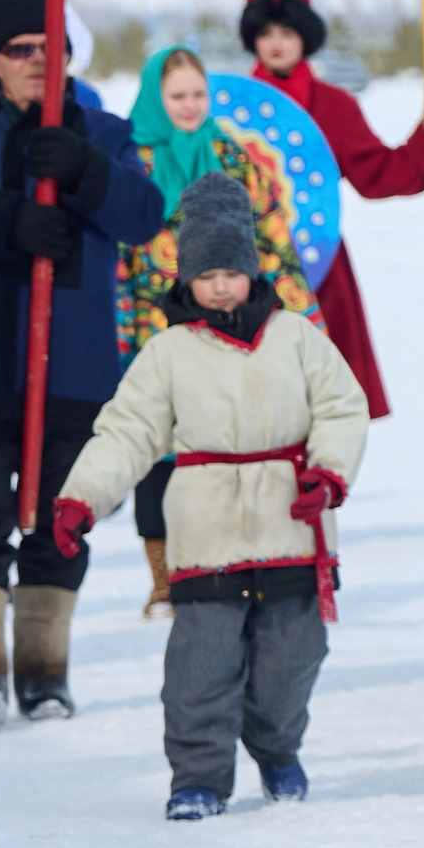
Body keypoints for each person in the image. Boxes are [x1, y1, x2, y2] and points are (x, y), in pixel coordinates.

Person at [51, 172, 367, 818]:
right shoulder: (168, 352)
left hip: (290, 523)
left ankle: (278, 748)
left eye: (232, 270)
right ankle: (198, 775)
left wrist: (329, 473)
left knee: (292, 659)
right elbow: (127, 432)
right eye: (206, 273)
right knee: (201, 666)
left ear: (252, 269)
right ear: (185, 278)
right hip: (207, 533)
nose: (221, 285)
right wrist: (81, 497)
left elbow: (343, 406)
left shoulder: (297, 337)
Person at [0, 0, 164, 730]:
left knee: (60, 519)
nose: (37, 61)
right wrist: (3, 221)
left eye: (52, 47)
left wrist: (84, 171)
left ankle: (45, 671)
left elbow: (144, 214)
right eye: (20, 48)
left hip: (73, 366)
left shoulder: (105, 131)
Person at [117, 44, 322, 613]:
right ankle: (164, 577)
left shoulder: (230, 156)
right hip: (153, 326)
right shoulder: (130, 159)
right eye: (177, 96)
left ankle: (224, 570)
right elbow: (118, 252)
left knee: (222, 443)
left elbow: (272, 236)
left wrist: (301, 319)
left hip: (228, 326)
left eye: (198, 95)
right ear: (156, 97)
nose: (189, 106)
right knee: (158, 450)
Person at [242, 0, 424, 420]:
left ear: (305, 38)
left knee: (323, 399)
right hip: (242, 271)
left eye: (287, 33)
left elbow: (377, 173)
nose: (276, 44)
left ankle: (322, 483)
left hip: (318, 263)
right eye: (266, 34)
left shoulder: (334, 107)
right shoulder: (230, 106)